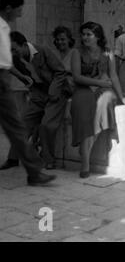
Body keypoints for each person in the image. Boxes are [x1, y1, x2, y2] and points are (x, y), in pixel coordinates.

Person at [0, 0, 56, 185]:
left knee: (17, 127)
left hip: (4, 81)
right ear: (9, 8)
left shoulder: (5, 27)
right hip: (2, 81)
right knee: (17, 127)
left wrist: (20, 76)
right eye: (19, 9)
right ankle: (34, 172)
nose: (20, 13)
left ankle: (34, 172)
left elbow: (6, 62)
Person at [70, 21, 125, 178]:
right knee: (84, 117)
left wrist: (121, 96)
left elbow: (113, 76)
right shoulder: (77, 52)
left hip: (104, 90)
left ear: (97, 36)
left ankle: (86, 152)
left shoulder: (107, 52)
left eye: (89, 34)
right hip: (83, 89)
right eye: (83, 34)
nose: (85, 37)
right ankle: (85, 162)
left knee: (104, 105)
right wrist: (98, 82)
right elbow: (77, 77)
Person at [4, 31, 70, 170]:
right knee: (22, 123)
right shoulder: (16, 57)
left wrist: (53, 92)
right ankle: (13, 159)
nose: (12, 52)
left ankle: (48, 160)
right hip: (38, 94)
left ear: (24, 45)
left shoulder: (43, 51)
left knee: (47, 125)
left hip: (56, 93)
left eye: (14, 49)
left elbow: (60, 72)